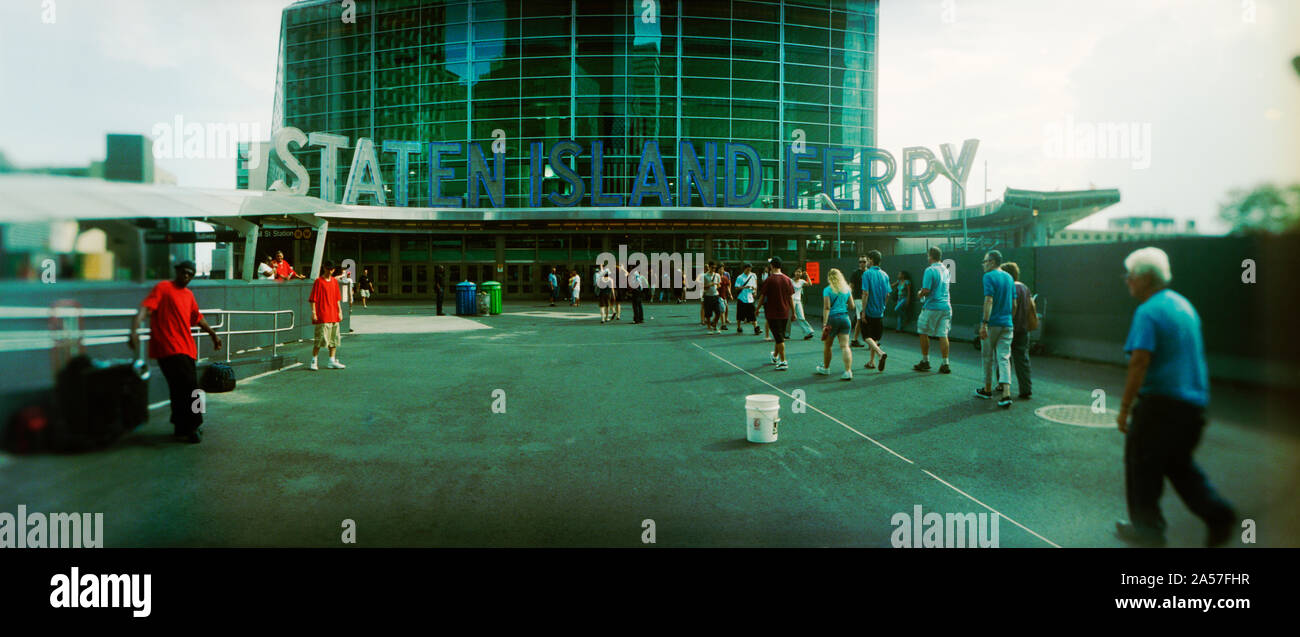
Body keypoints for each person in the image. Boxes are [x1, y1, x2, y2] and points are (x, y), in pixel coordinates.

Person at [1115, 247, 1236, 548]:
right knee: (1178, 464)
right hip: (1192, 407)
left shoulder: (1148, 311)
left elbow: (1140, 361)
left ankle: (1148, 531)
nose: (1126, 281)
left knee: (1141, 465)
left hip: (1160, 406)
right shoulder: (1184, 306)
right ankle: (1217, 513)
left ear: (1144, 277)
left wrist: (1125, 407)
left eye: (1129, 275)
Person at [128, 260, 222, 444]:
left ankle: (180, 427)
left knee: (180, 389)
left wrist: (213, 335)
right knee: (191, 388)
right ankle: (195, 425)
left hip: (186, 349)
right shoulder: (163, 287)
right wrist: (134, 330)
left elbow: (198, 318)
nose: (186, 276)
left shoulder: (188, 295)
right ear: (177, 271)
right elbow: (146, 309)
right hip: (168, 348)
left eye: (190, 274)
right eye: (184, 272)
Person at [975, 250, 1015, 408]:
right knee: (1004, 358)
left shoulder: (989, 277)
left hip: (992, 324)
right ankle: (1006, 393)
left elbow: (989, 300)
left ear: (991, 262)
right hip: (1007, 323)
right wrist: (1010, 319)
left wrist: (984, 323)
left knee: (987, 357)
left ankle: (987, 389)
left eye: (985, 261)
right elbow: (1015, 303)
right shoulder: (1009, 277)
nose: (983, 265)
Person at [914, 246, 952, 373]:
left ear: (930, 256)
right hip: (946, 306)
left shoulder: (929, 270)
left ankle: (925, 361)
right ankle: (945, 363)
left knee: (923, 331)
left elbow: (926, 290)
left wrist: (919, 293)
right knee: (943, 334)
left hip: (931, 307)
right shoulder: (946, 270)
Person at [755, 257, 795, 371]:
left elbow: (762, 296)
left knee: (779, 338)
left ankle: (783, 361)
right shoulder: (788, 280)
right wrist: (794, 312)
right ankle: (775, 356)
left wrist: (757, 308)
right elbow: (790, 297)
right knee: (779, 336)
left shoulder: (769, 280)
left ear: (772, 266)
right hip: (785, 312)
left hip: (772, 313)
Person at [816, 268, 856, 380]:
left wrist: (824, 323)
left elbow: (827, 307)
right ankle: (848, 371)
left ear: (829, 278)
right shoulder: (847, 289)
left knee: (828, 346)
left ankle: (826, 368)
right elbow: (852, 306)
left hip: (832, 319)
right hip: (845, 318)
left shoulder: (827, 290)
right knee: (845, 346)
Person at [1002, 262, 1033, 400]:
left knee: (1003, 357)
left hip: (1008, 327)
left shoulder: (1008, 287)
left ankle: (1002, 385)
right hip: (1023, 328)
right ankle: (1026, 389)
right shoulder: (1025, 288)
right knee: (1022, 360)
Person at [309, 260, 345, 370]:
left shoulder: (334, 281)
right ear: (324, 268)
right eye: (328, 269)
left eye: (332, 269)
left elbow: (337, 298)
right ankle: (314, 361)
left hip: (334, 314)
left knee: (334, 340)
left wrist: (340, 311)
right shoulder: (318, 282)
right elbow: (313, 299)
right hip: (323, 315)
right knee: (319, 339)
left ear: (334, 270)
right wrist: (314, 313)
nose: (330, 271)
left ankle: (332, 361)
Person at [859, 250, 890, 371]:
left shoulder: (867, 274)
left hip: (870, 310)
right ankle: (872, 362)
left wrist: (863, 311)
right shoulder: (885, 275)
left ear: (871, 260)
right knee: (875, 338)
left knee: (866, 336)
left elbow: (865, 293)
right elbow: (887, 294)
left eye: (867, 259)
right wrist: (883, 306)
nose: (866, 262)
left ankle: (880, 353)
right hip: (879, 311)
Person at [790, 267, 815, 340]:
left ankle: (809, 332)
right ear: (794, 273)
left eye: (800, 272)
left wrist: (807, 276)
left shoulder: (802, 281)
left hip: (798, 301)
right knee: (788, 318)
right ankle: (785, 334)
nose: (798, 273)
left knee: (801, 317)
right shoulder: (790, 281)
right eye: (797, 271)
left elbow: (810, 284)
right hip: (791, 301)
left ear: (801, 274)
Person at [734, 263, 759, 335]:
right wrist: (744, 287)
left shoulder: (753, 275)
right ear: (744, 269)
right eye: (748, 269)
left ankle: (756, 327)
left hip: (750, 297)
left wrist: (754, 291)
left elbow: (755, 285)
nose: (749, 270)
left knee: (752, 314)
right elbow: (736, 287)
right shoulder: (740, 277)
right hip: (742, 297)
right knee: (740, 314)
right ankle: (739, 327)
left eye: (750, 269)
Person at [849, 256, 868, 347]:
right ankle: (870, 341)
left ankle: (854, 340)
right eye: (860, 262)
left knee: (860, 320)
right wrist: (848, 299)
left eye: (864, 261)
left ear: (867, 262)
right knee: (862, 319)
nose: (862, 263)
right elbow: (850, 286)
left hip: (868, 298)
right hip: (858, 299)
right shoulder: (855, 273)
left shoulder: (869, 272)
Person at [701, 262, 722, 333]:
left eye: (715, 268)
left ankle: (714, 324)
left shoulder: (717, 275)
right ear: (709, 267)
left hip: (716, 295)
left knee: (718, 312)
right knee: (708, 313)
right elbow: (702, 287)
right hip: (708, 296)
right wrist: (709, 285)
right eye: (712, 267)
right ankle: (709, 327)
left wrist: (717, 286)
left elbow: (719, 285)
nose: (713, 269)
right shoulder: (704, 276)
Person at [335, 265, 354, 332]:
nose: (345, 273)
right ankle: (341, 327)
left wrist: (351, 299)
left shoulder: (347, 280)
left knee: (347, 313)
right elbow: (335, 278)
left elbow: (350, 290)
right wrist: (342, 276)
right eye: (344, 272)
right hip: (339, 299)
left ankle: (347, 326)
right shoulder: (337, 279)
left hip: (346, 299)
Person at [717, 264, 733, 331]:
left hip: (724, 296)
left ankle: (714, 322)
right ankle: (723, 324)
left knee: (724, 308)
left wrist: (730, 294)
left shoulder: (725, 278)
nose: (721, 270)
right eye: (720, 269)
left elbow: (727, 286)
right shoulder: (715, 277)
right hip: (717, 296)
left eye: (722, 269)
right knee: (722, 309)